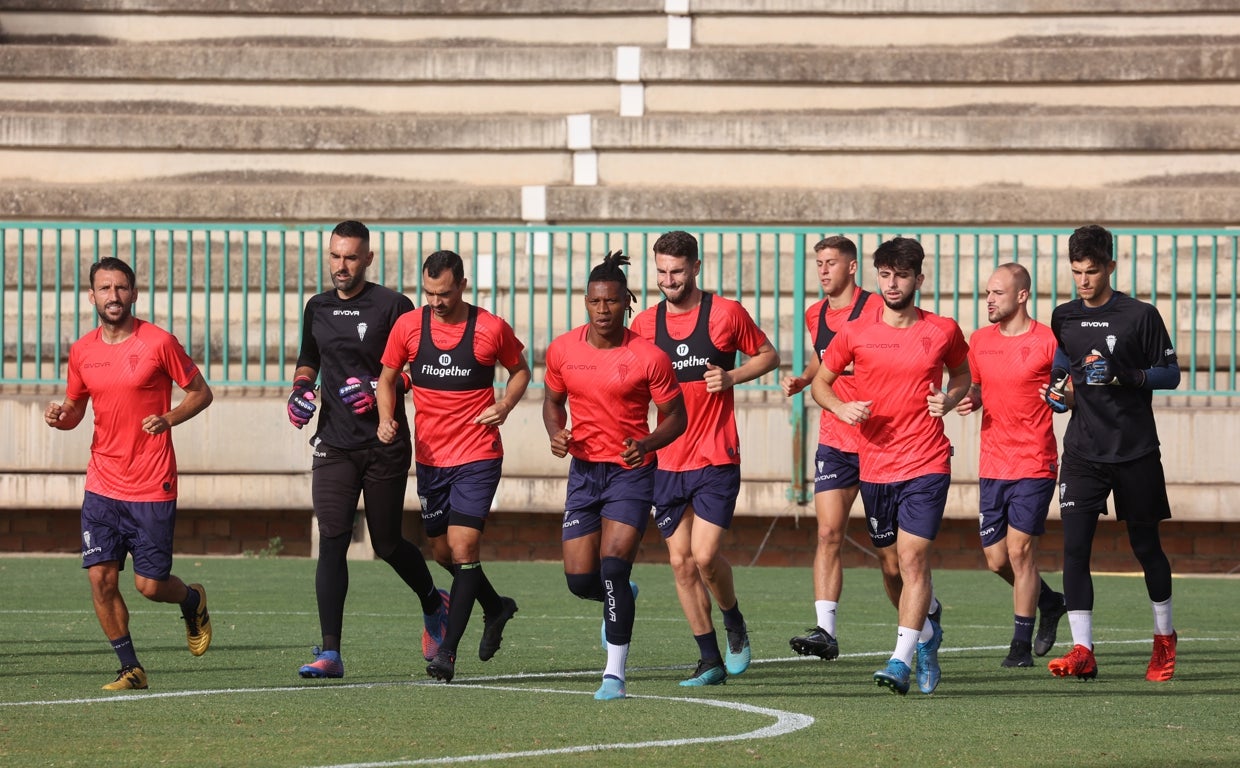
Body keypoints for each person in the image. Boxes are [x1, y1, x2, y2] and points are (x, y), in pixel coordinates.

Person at [287, 220, 448, 679]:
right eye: (336, 256)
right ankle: (331, 652)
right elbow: (309, 359)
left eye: (351, 257)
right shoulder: (316, 307)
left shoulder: (394, 306)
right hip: (334, 442)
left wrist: (380, 386)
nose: (342, 265)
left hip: (384, 440)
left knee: (386, 542)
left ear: (368, 259)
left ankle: (434, 603)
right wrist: (300, 389)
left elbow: (421, 371)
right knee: (332, 538)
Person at [45, 257, 214, 691]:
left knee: (150, 586)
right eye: (105, 288)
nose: (113, 296)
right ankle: (130, 668)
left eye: (121, 288)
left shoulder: (158, 342)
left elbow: (201, 393)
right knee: (100, 578)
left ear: (134, 293)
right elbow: (76, 409)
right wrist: (61, 416)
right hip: (102, 482)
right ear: (92, 295)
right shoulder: (82, 351)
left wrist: (170, 418)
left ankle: (191, 599)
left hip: (151, 481)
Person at [811, 236, 970, 696]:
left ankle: (899, 661)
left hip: (926, 461)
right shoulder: (856, 331)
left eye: (902, 275)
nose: (893, 283)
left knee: (913, 557)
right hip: (875, 466)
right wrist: (841, 410)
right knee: (892, 569)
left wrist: (951, 397)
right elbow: (822, 384)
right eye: (885, 274)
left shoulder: (941, 330)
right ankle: (926, 633)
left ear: (919, 279)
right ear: (876, 275)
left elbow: (962, 374)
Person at [628, 231, 780, 686]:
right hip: (666, 460)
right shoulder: (644, 325)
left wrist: (732, 375)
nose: (669, 280)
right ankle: (709, 658)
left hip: (716, 453)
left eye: (677, 271)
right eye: (661, 272)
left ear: (696, 267)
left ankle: (733, 621)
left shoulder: (726, 313)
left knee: (706, 555)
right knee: (679, 563)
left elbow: (768, 356)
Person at [376, 250, 530, 683]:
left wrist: (504, 405)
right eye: (428, 293)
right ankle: (496, 607)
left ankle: (446, 653)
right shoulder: (409, 326)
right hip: (430, 459)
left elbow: (521, 371)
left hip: (478, 455)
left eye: (443, 293)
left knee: (463, 551)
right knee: (443, 554)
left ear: (461, 284)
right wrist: (386, 418)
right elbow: (387, 377)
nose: (436, 301)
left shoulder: (489, 328)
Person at [542, 250, 688, 701]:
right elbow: (552, 402)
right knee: (579, 580)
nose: (603, 310)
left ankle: (614, 674)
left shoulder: (649, 356)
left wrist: (645, 444)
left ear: (627, 302)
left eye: (611, 302)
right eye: (595, 302)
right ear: (585, 302)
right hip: (584, 472)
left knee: (611, 569)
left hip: (631, 473)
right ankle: (622, 595)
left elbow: (676, 418)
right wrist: (556, 433)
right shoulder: (563, 349)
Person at [1042, 224, 1181, 682]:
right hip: (1083, 451)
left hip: (1135, 449)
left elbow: (1169, 374)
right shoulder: (1063, 315)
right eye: (1077, 271)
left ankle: (1164, 641)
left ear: (1111, 268)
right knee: (1074, 550)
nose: (1084, 280)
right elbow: (1064, 364)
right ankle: (1083, 649)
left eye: (1092, 271)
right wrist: (1058, 391)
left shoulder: (1140, 316)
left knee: (1146, 548)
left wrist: (1124, 374)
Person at [954, 263, 1067, 668]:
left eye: (997, 293)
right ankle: (1050, 601)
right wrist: (971, 398)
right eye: (987, 292)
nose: (989, 299)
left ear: (1021, 296)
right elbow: (980, 386)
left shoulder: (1049, 341)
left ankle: (1019, 648)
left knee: (1020, 551)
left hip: (1034, 460)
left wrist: (1063, 397)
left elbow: (1068, 390)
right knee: (996, 560)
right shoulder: (980, 341)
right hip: (992, 462)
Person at [781, 235, 883, 662]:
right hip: (836, 437)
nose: (823, 270)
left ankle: (926, 613)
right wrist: (806, 379)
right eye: (818, 263)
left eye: (831, 263)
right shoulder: (815, 313)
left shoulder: (877, 308)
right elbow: (826, 358)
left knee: (892, 555)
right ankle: (826, 630)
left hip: (881, 439)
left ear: (852, 267)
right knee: (827, 533)